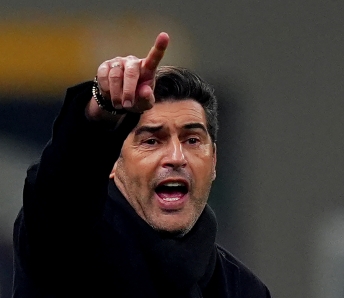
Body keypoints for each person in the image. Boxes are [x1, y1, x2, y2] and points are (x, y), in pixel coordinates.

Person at [12, 32, 271, 298]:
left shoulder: (242, 288)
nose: (176, 157)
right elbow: (60, 197)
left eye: (192, 140)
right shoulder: (71, 245)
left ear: (214, 160)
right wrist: (101, 111)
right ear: (112, 161)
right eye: (151, 141)